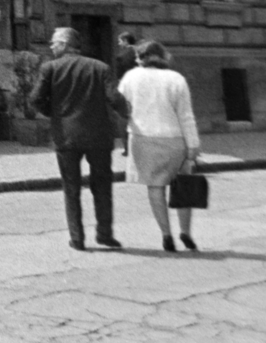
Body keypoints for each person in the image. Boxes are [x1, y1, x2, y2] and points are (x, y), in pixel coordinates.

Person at [32, 26, 128, 251]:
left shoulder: (50, 68)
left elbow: (35, 99)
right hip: (99, 135)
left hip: (66, 137)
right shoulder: (100, 67)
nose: (51, 46)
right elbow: (114, 98)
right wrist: (128, 114)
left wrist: (54, 114)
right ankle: (104, 234)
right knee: (103, 186)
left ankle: (77, 238)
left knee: (71, 188)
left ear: (65, 45)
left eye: (54, 42)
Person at [119, 40, 202, 252]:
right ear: (163, 57)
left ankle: (166, 235)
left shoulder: (130, 77)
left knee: (155, 187)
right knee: (183, 186)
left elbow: (121, 106)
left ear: (139, 58)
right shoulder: (176, 79)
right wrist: (193, 145)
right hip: (175, 140)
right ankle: (186, 232)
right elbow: (186, 115)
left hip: (143, 138)